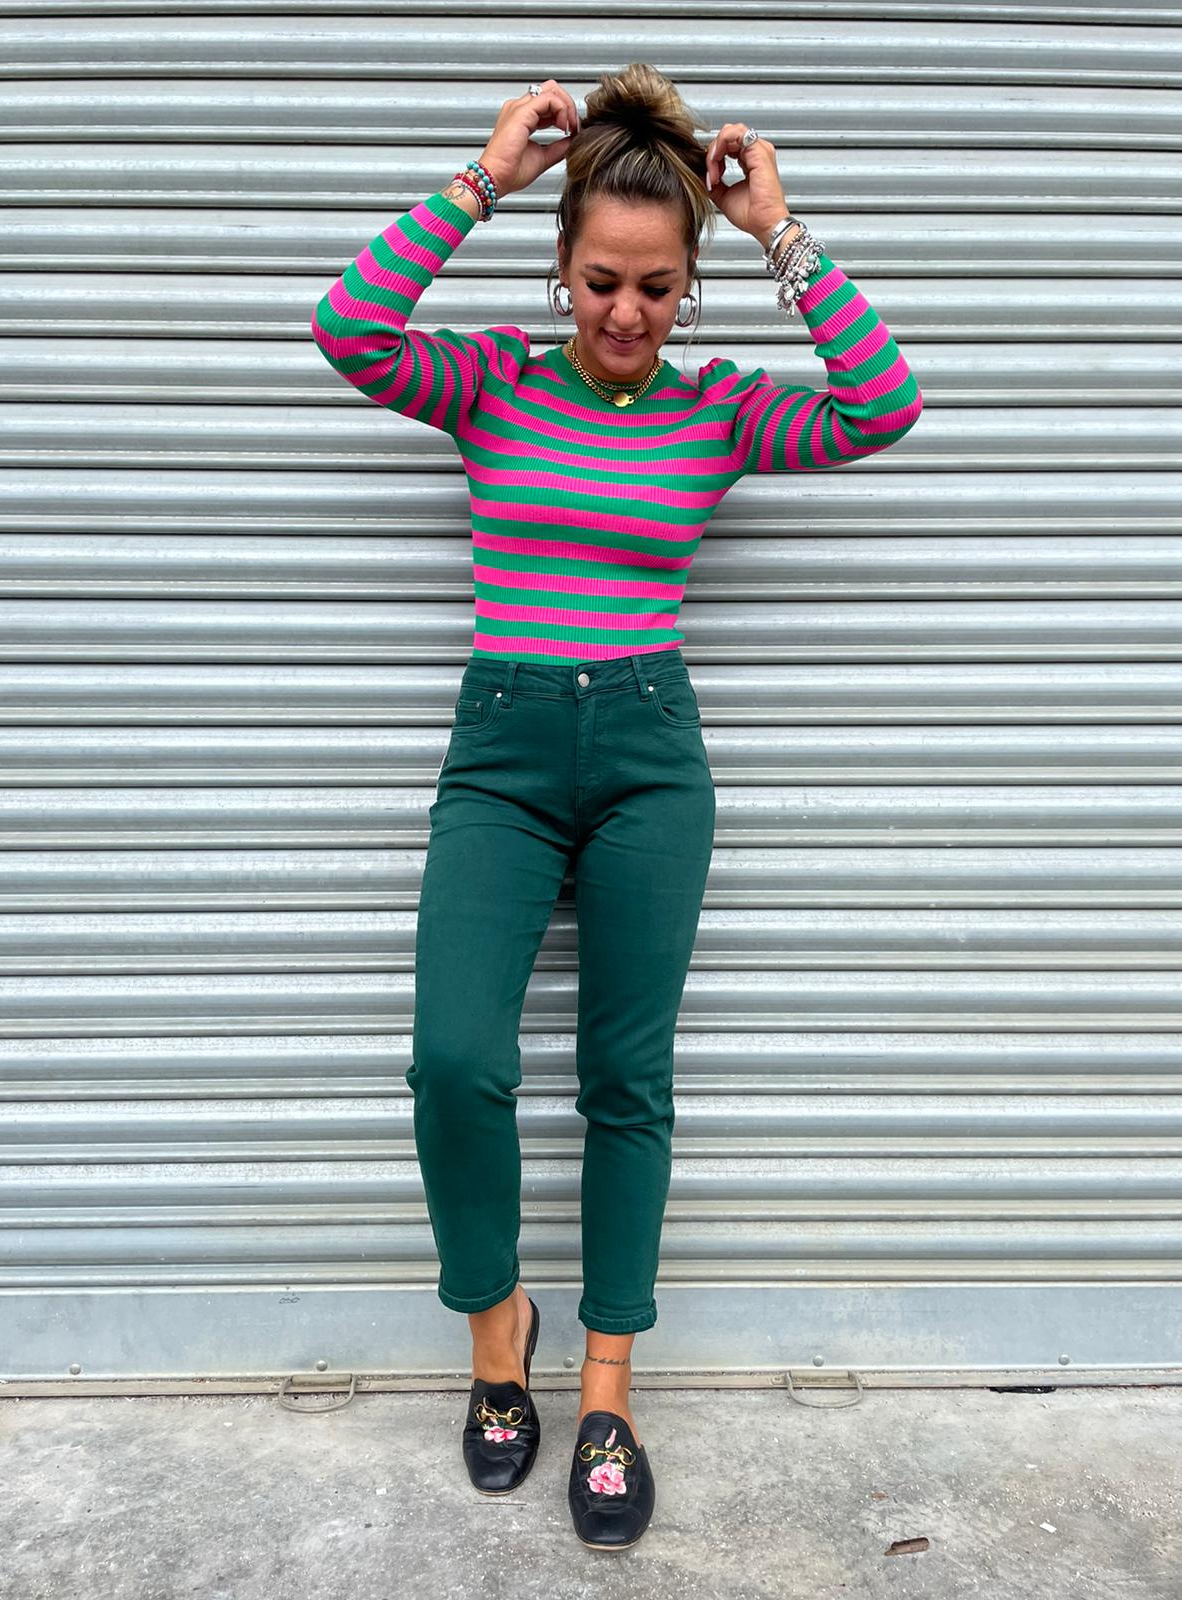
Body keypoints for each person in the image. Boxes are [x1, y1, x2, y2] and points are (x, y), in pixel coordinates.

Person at [310, 62, 923, 1551]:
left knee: (625, 1084)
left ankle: (605, 1393)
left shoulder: (723, 413)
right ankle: (495, 1340)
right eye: (601, 282)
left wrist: (779, 231)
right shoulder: (494, 384)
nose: (627, 313)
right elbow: (348, 329)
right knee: (454, 1060)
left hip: (651, 754)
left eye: (656, 286)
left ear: (689, 281)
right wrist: (485, 176)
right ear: (563, 266)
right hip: (504, 754)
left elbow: (885, 401)